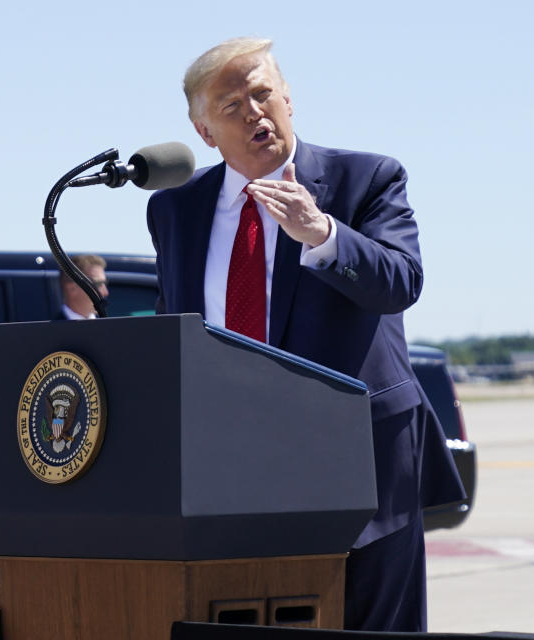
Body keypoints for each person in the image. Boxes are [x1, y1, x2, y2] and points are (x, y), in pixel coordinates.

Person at [146, 37, 465, 632]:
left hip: (359, 459)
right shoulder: (175, 210)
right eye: (232, 105)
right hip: (232, 464)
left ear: (288, 98)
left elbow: (401, 282)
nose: (254, 112)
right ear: (205, 131)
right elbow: (176, 326)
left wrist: (322, 234)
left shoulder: (364, 179)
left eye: (263, 94)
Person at [56, 254, 109, 320]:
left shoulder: (108, 328)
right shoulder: (49, 329)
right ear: (72, 287)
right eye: (98, 284)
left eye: (105, 283)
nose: (105, 292)